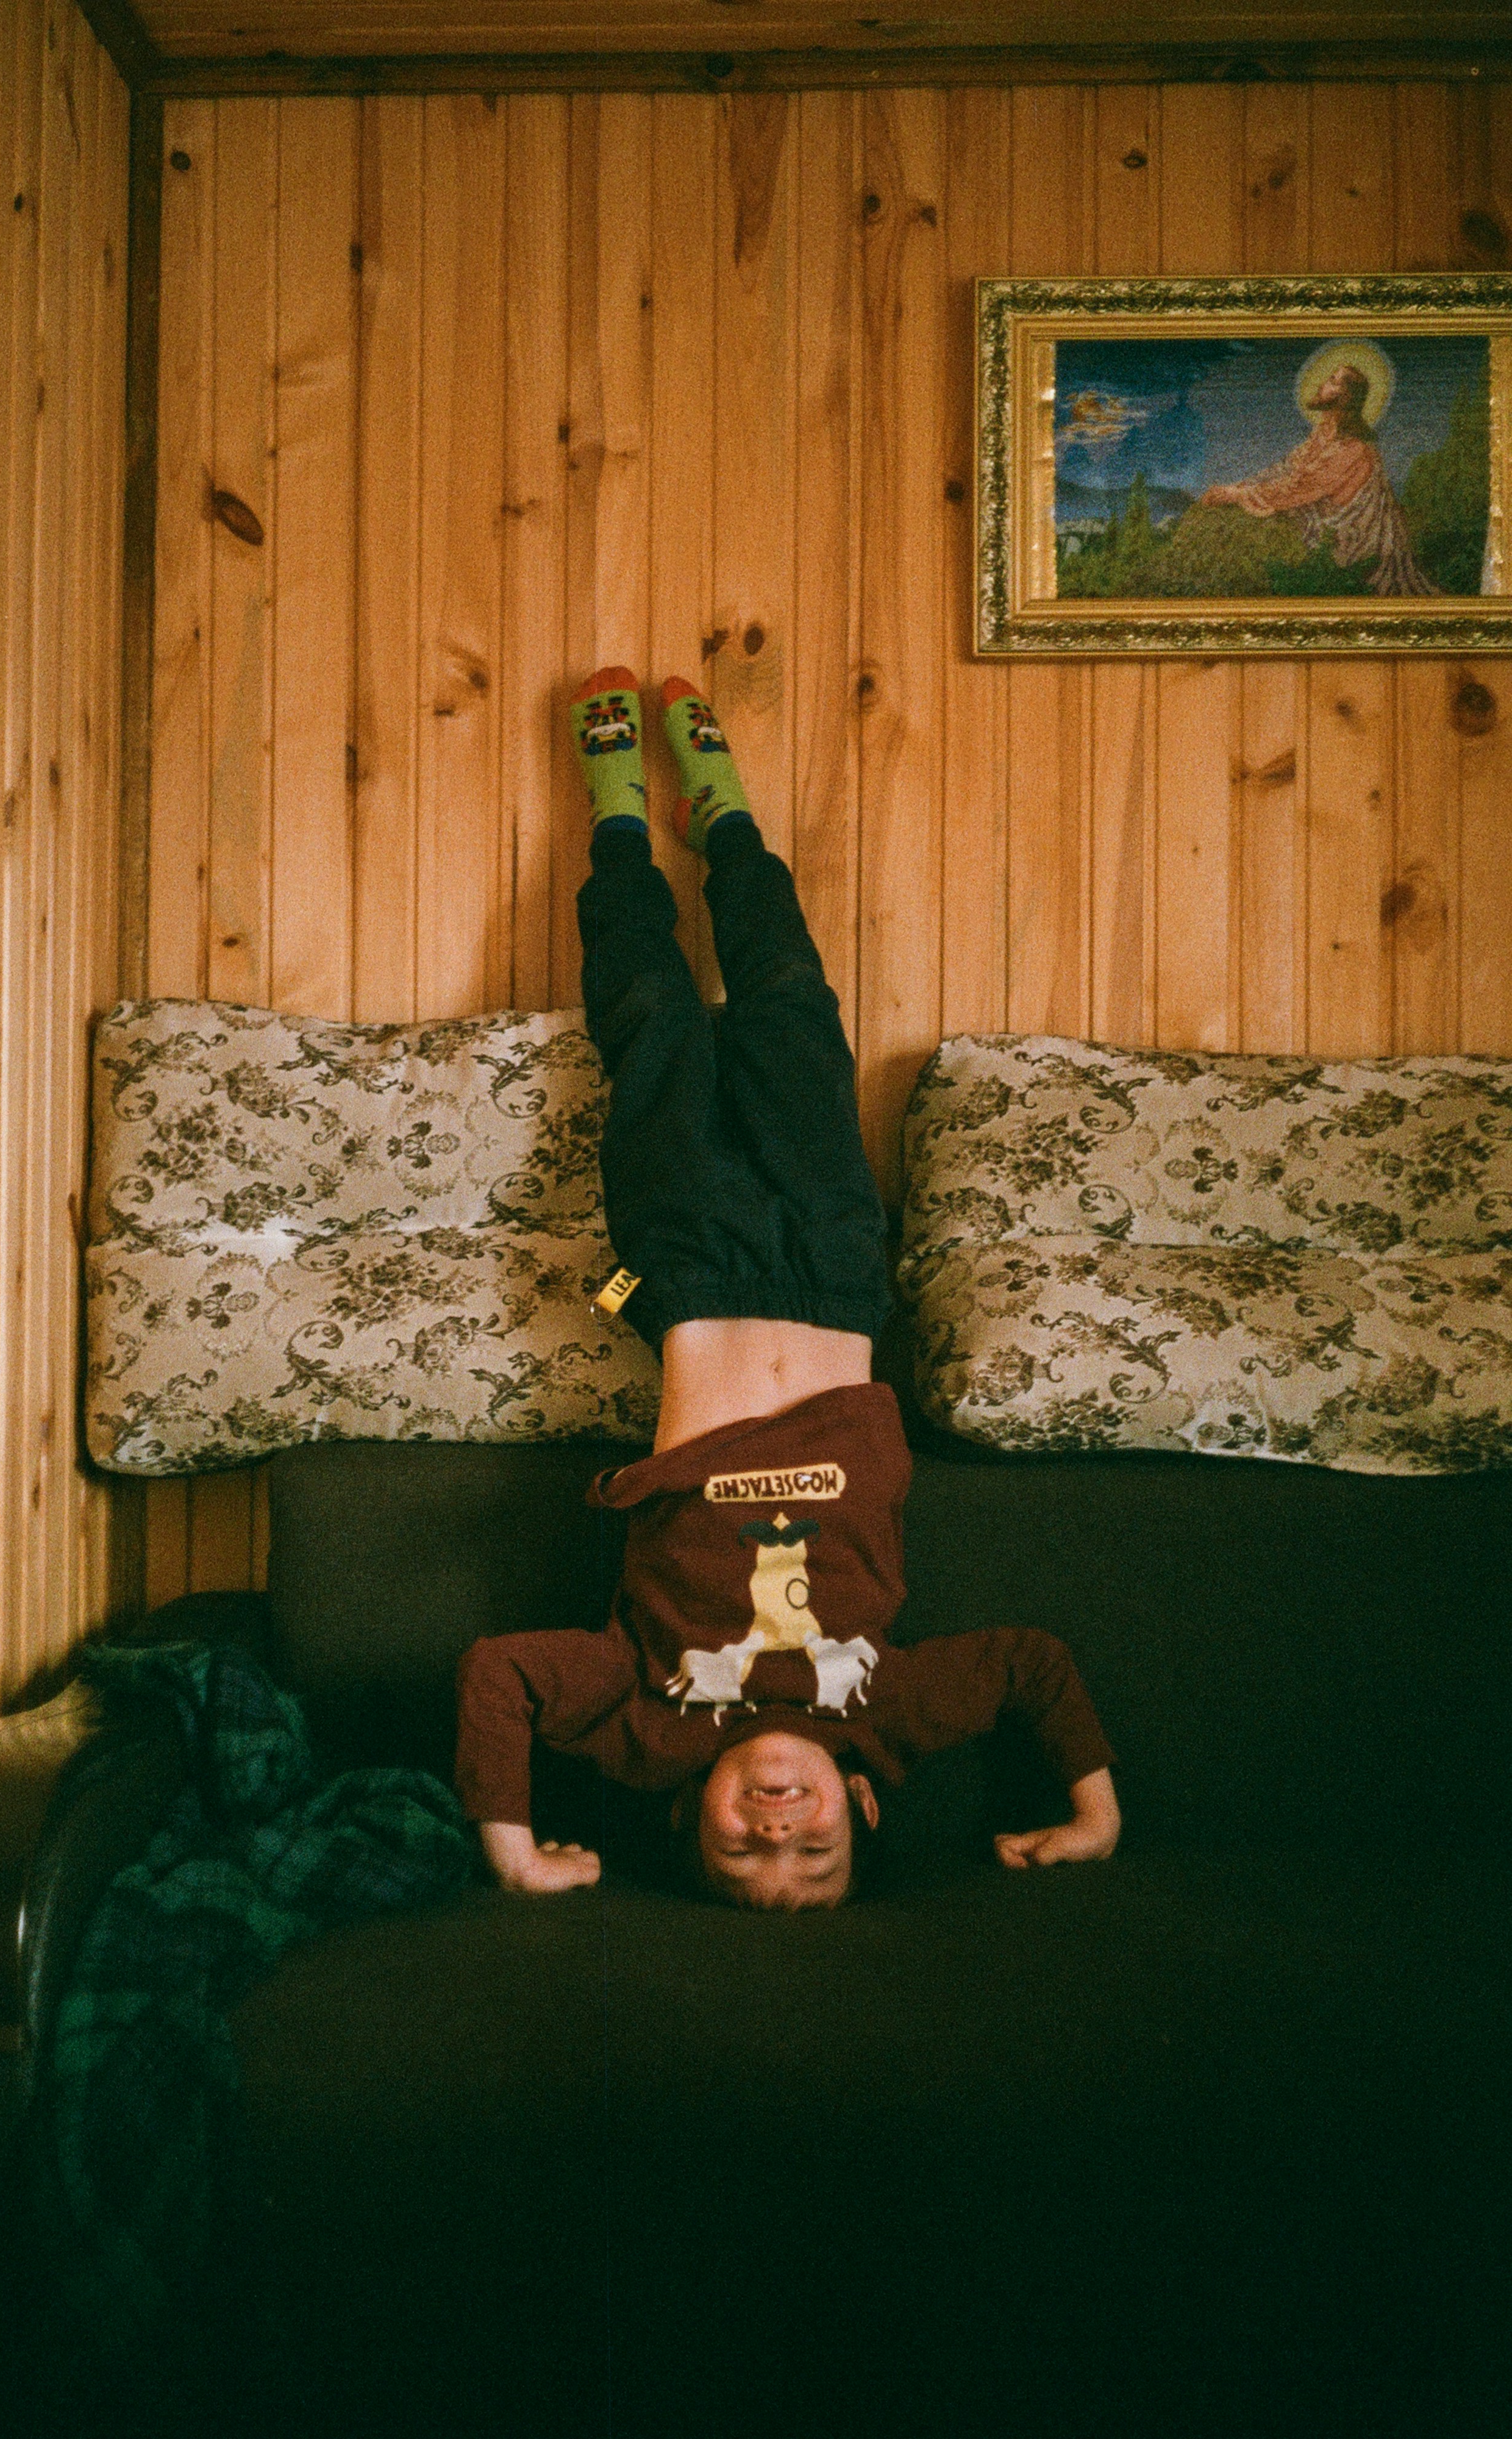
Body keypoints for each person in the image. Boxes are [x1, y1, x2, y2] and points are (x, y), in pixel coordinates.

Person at [454, 670, 1121, 1909]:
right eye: (815, 1852)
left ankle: (614, 810)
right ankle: (723, 818)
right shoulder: (894, 1715)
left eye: (740, 1850)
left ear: (688, 1816)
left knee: (654, 1019)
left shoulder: (650, 1725)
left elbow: (501, 1674)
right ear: (861, 1807)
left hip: (693, 1272)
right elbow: (1033, 1665)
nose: (778, 1829)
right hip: (833, 1275)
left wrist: (514, 1847)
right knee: (787, 1014)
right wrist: (1093, 1816)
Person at [1200, 357, 1437, 597]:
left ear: (1344, 398)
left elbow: (1298, 489)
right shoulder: (1324, 433)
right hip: (1313, 519)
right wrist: (1237, 488)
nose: (1322, 385)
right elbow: (1285, 468)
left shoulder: (1353, 449)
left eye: (1332, 381)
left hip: (1346, 543)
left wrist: (1237, 494)